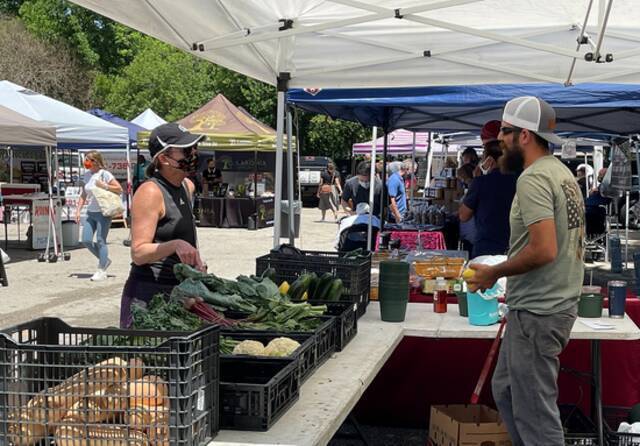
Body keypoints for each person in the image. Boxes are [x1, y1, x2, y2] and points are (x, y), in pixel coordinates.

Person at [467, 96, 585, 446]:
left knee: (535, 413)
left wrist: (493, 272)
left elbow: (545, 249)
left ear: (524, 136)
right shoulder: (561, 173)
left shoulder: (533, 179)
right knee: (505, 390)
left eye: (504, 131)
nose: (498, 140)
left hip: (539, 310)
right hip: (545, 306)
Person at [120, 123, 206, 328]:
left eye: (194, 148)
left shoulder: (187, 186)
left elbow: (186, 236)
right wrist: (175, 245)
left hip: (178, 294)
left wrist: (196, 265)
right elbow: (138, 252)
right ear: (163, 158)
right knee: (144, 359)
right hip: (148, 297)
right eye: (186, 150)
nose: (193, 153)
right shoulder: (150, 192)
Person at [459, 123, 517, 258]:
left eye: (483, 157)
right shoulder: (520, 179)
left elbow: (463, 215)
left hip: (486, 248)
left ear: (489, 160)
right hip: (513, 248)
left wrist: (472, 182)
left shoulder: (480, 182)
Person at [76, 150, 123, 281]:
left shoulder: (105, 174)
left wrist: (105, 186)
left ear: (96, 161)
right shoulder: (86, 175)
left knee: (101, 240)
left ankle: (101, 269)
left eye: (89, 159)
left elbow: (119, 189)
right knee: (86, 240)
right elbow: (83, 195)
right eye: (86, 159)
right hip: (91, 212)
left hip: (104, 212)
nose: (86, 162)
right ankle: (105, 260)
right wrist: (78, 210)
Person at [456, 163, 477, 255]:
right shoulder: (471, 187)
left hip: (471, 230)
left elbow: (466, 211)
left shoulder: (474, 188)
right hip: (469, 230)